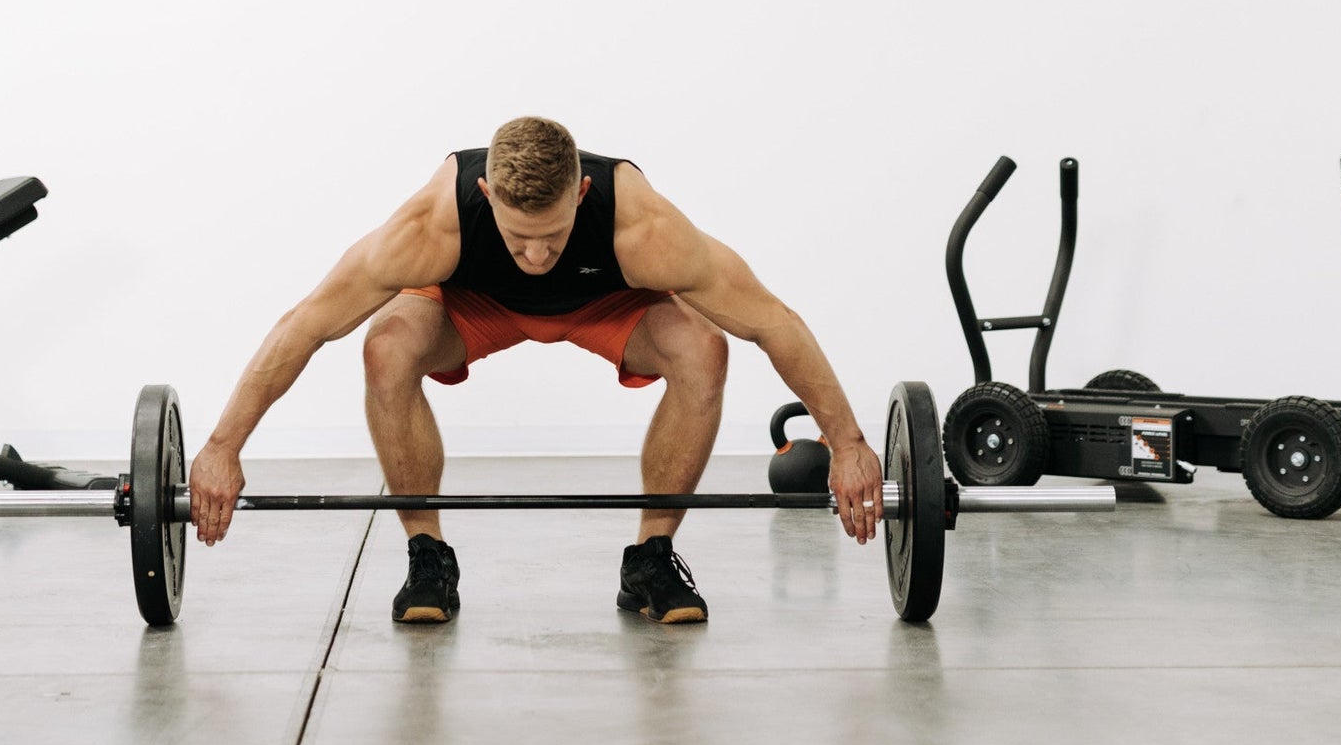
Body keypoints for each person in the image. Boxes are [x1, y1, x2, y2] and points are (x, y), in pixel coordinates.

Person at [186, 116, 884, 625]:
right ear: (487, 195)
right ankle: (427, 552)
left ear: (580, 195)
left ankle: (651, 558)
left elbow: (771, 320)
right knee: (386, 343)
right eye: (520, 239)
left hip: (606, 303)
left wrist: (847, 441)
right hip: (472, 306)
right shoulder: (433, 226)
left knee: (704, 346)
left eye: (552, 236)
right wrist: (223, 447)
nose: (538, 255)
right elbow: (308, 323)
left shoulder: (644, 229)